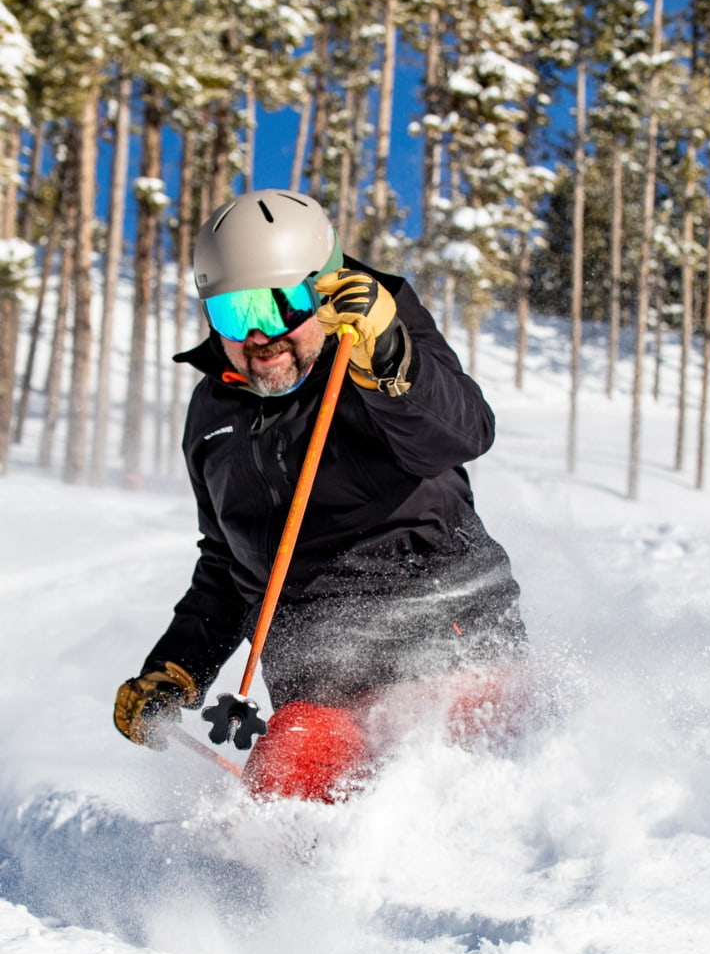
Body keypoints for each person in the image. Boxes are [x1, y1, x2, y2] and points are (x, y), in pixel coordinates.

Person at [114, 189, 528, 799]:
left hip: (449, 647)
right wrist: (179, 668)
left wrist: (390, 359)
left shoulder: (372, 346)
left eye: (279, 305)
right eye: (234, 312)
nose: (259, 334)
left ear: (325, 290)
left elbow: (462, 433)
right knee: (288, 784)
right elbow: (229, 562)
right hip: (318, 693)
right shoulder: (212, 415)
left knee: (421, 787)